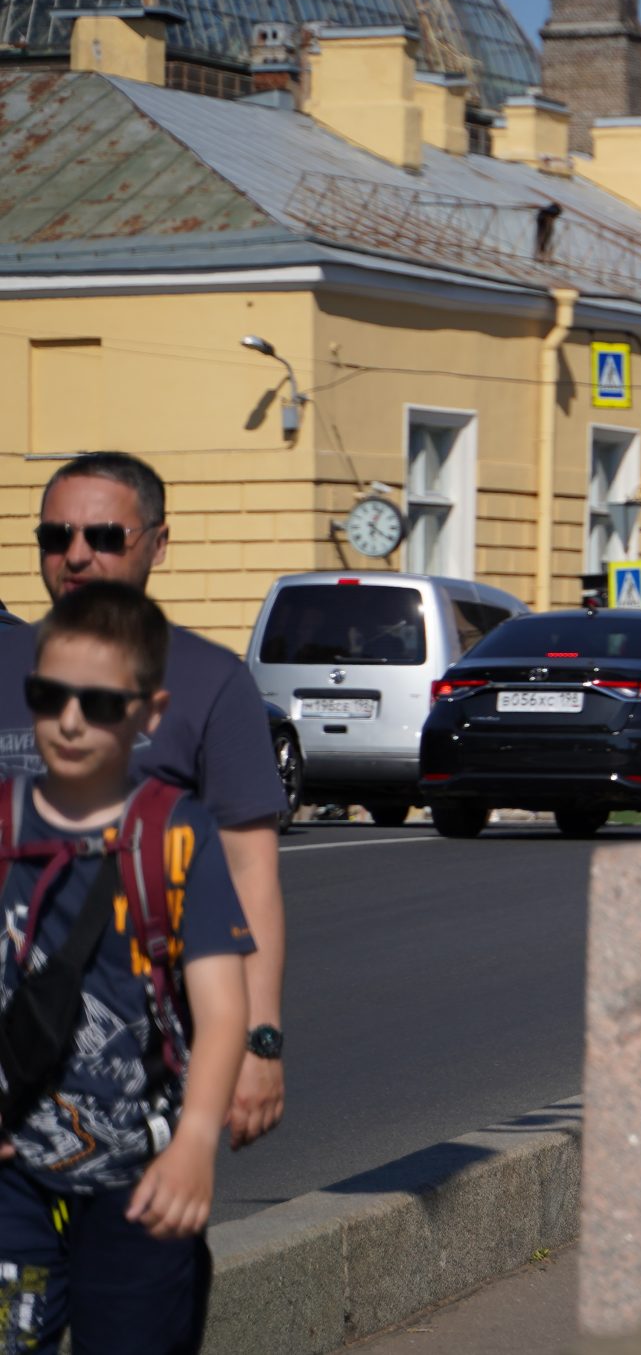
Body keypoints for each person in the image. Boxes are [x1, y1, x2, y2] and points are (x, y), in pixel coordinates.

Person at [0, 455, 285, 1147]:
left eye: (103, 536)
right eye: (55, 536)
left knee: (133, 1248)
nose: (75, 555)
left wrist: (261, 1038)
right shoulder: (6, 665)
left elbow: (251, 872)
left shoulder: (209, 681)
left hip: (140, 1072)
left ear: (157, 543)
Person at [0, 581, 252, 1352]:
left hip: (144, 1180)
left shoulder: (177, 837)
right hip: (12, 1175)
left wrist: (196, 1142)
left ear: (148, 711)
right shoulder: (2, 820)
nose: (71, 720)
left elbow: (222, 1013)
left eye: (101, 703)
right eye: (50, 695)